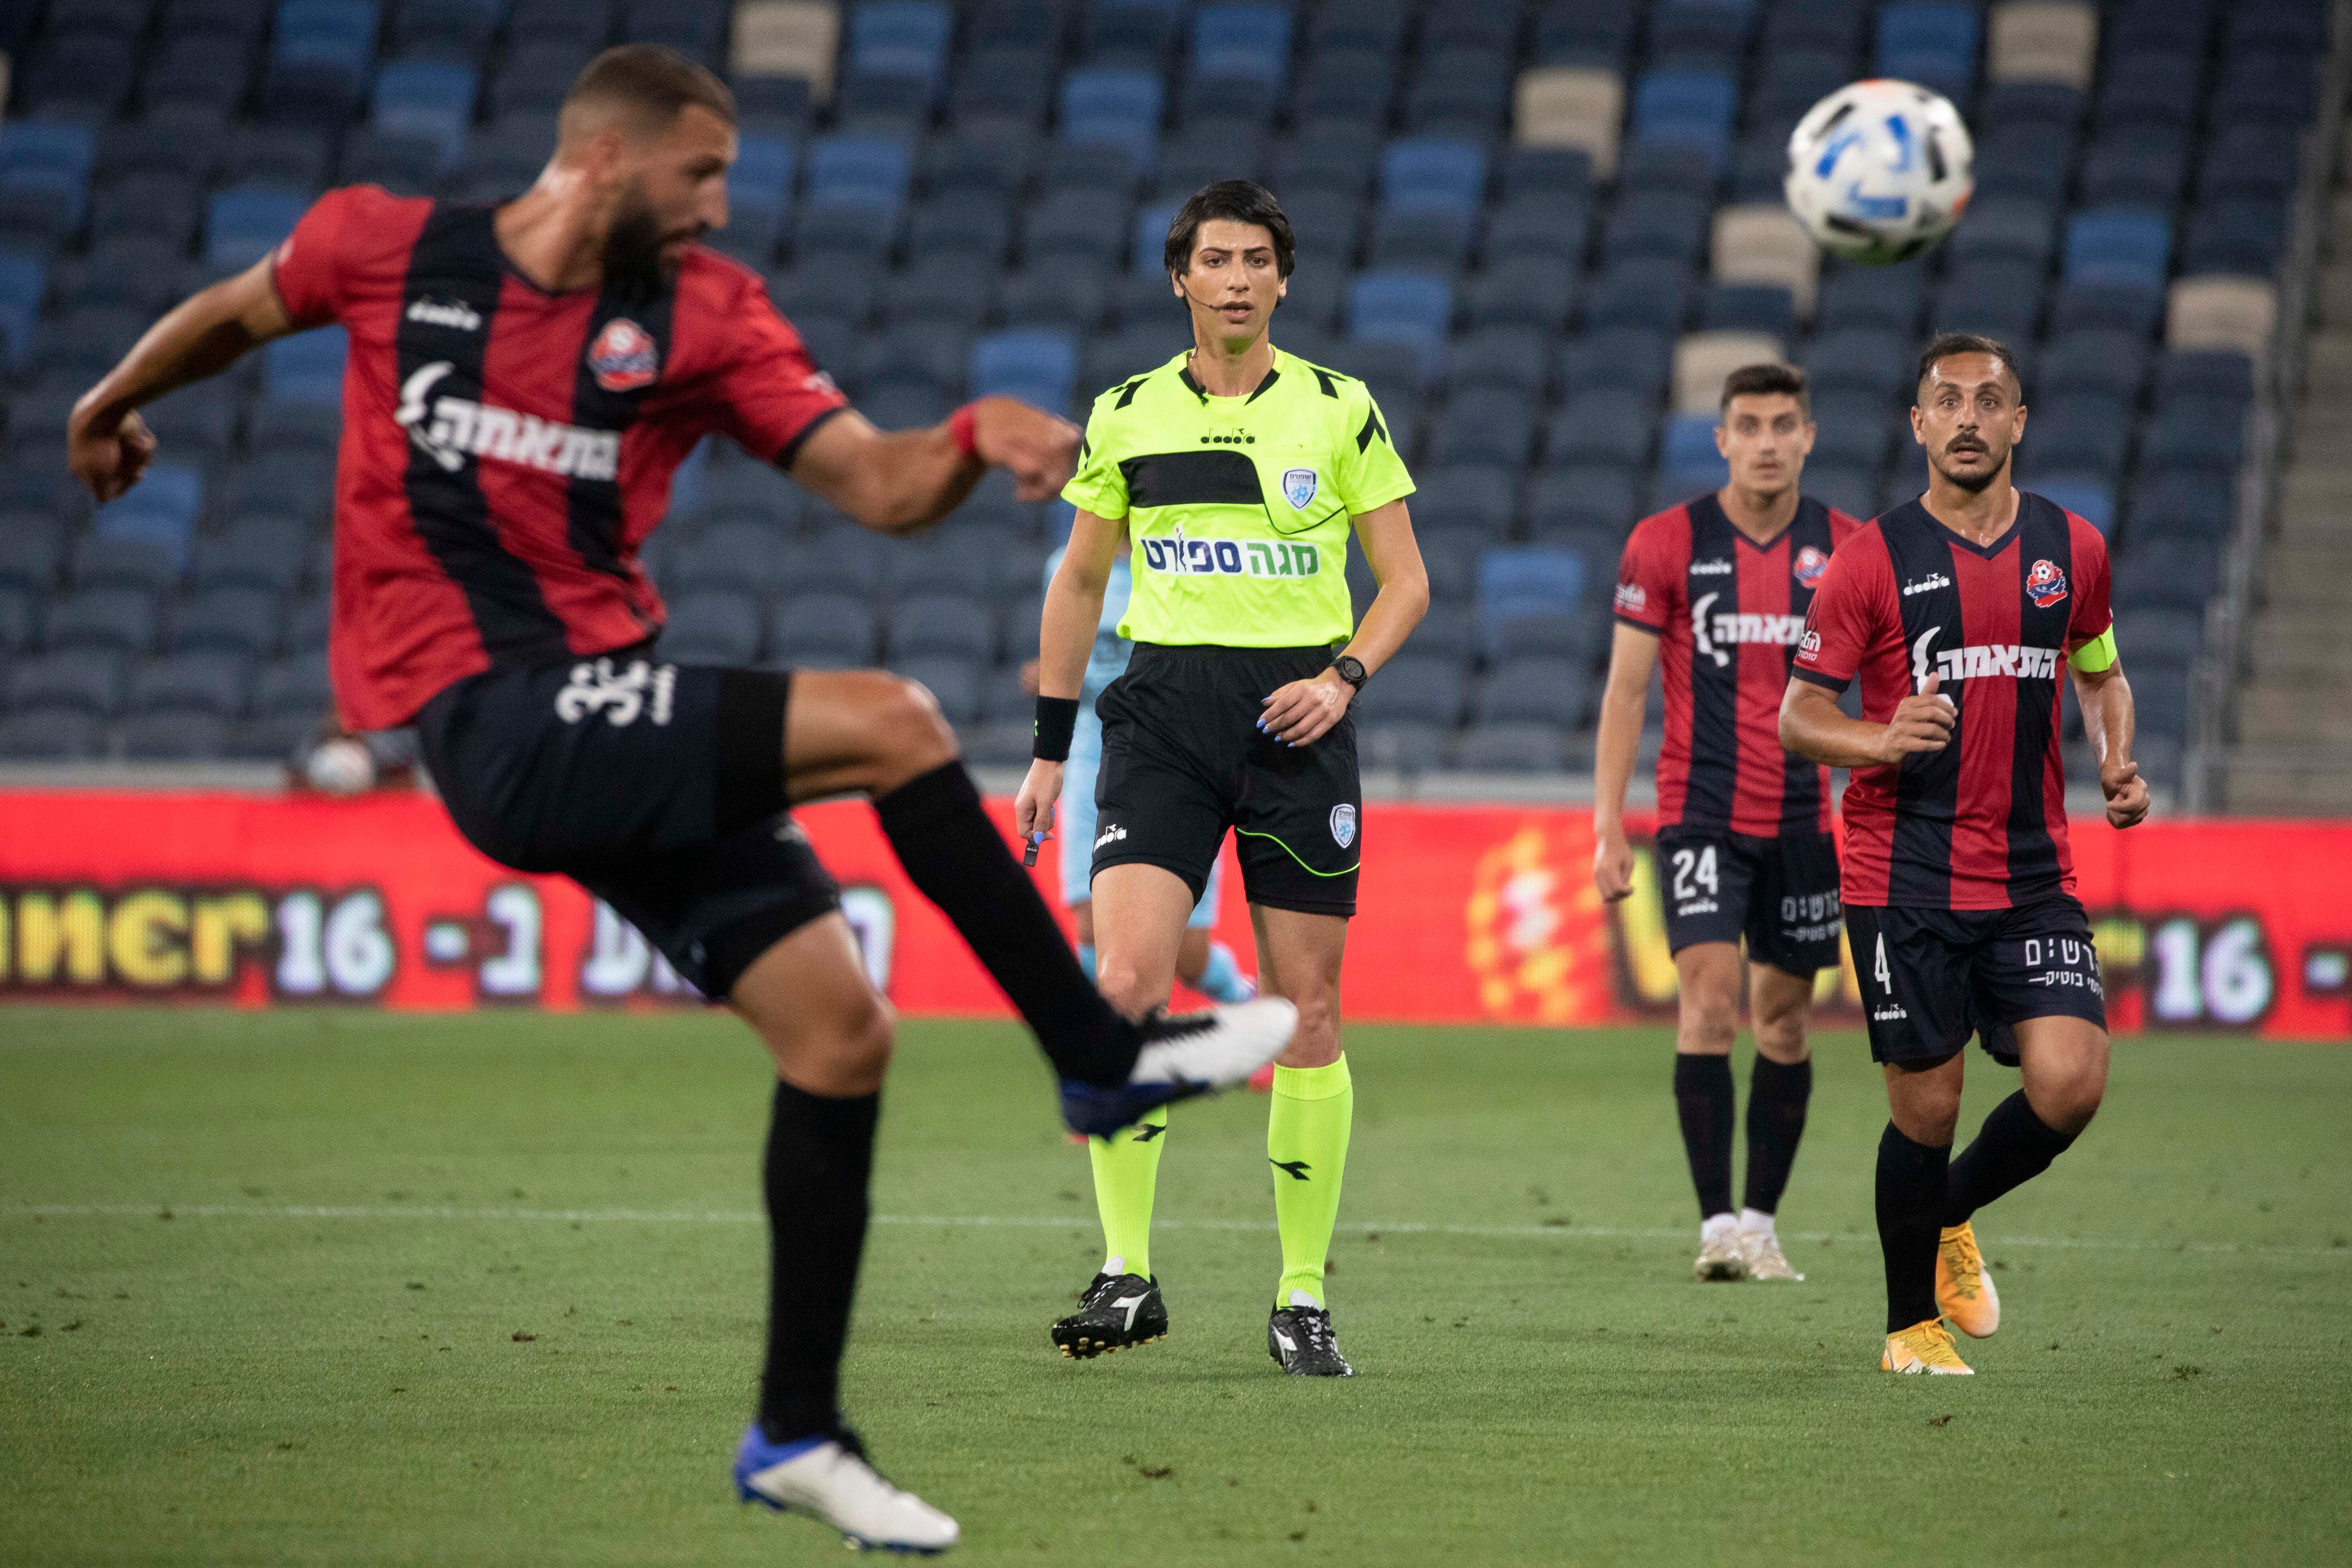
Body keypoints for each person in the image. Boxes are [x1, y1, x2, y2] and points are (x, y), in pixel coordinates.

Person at [65, 46, 1297, 1552]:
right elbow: (238, 312)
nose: (720, 205)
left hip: (607, 713)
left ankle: (798, 1429)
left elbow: (878, 485)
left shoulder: (704, 316)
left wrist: (973, 439)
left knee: (841, 1035)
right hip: (491, 715)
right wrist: (114, 395)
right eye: (698, 175)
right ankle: (1098, 1054)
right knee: (896, 720)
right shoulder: (385, 248)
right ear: (601, 159)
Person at [1014, 181, 1428, 1377]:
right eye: (1216, 260)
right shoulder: (1127, 413)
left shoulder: (1340, 411)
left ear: (1283, 281)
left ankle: (1300, 1294)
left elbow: (1406, 581)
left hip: (1298, 727)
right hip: (1159, 724)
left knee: (1307, 1018)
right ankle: (1127, 1271)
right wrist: (1049, 748)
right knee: (1128, 982)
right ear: (1180, 279)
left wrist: (1345, 676)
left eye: (1258, 260)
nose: (1237, 278)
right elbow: (1081, 586)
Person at [1780, 332, 2149, 1376]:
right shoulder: (1869, 560)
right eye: (1947, 401)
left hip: (2033, 872)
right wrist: (1876, 738)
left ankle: (1944, 1212)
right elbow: (1798, 716)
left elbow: (2101, 669)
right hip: (1901, 874)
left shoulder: (2071, 548)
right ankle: (1909, 1328)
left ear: (2019, 421)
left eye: (1990, 401)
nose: (1968, 418)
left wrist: (2116, 759)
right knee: (1927, 1103)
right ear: (1917, 424)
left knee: (2070, 1080)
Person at [1595, 364, 1862, 1283]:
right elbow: (1628, 688)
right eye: (1748, 424)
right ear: (1722, 439)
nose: (1767, 441)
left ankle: (1760, 1221)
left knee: (1784, 1024)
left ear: (1808, 435)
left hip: (1802, 824)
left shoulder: (1850, 548)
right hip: (1698, 813)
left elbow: (1895, 688)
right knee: (1708, 1003)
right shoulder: (1666, 543)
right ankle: (1716, 1226)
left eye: (1784, 424)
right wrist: (1605, 825)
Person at [1025, 545, 1259, 1006]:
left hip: (1171, 752)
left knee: (1187, 954)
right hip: (1092, 747)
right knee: (1090, 920)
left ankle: (1242, 1000)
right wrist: (1052, 678)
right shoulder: (1066, 565)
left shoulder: (1181, 560)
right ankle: (1122, 1049)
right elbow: (1066, 650)